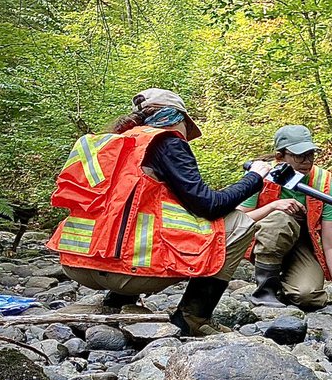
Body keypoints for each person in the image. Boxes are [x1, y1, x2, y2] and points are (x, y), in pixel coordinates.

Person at [47, 88, 296, 335]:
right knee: (239, 224)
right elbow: (211, 206)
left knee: (136, 226)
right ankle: (192, 319)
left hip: (77, 264)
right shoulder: (167, 142)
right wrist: (254, 177)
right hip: (124, 273)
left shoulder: (111, 144)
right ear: (178, 119)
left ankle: (118, 301)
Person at [239, 125, 332, 316]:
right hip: (263, 238)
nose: (307, 161)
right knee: (280, 219)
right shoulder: (258, 175)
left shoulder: (323, 183)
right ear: (280, 156)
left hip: (301, 244)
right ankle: (265, 290)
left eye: (311, 154)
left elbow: (331, 243)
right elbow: (239, 220)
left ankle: (283, 284)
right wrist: (272, 206)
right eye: (299, 156)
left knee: (308, 295)